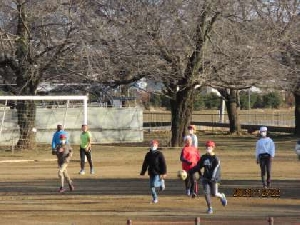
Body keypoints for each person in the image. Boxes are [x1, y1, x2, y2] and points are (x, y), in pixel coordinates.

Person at [190, 140, 227, 214]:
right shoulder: (203, 157)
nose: (208, 147)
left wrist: (213, 178)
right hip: (205, 178)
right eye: (207, 146)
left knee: (214, 194)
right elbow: (198, 166)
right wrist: (190, 171)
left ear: (213, 147)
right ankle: (210, 208)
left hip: (214, 179)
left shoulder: (216, 158)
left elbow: (216, 170)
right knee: (206, 193)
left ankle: (221, 196)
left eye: (209, 146)